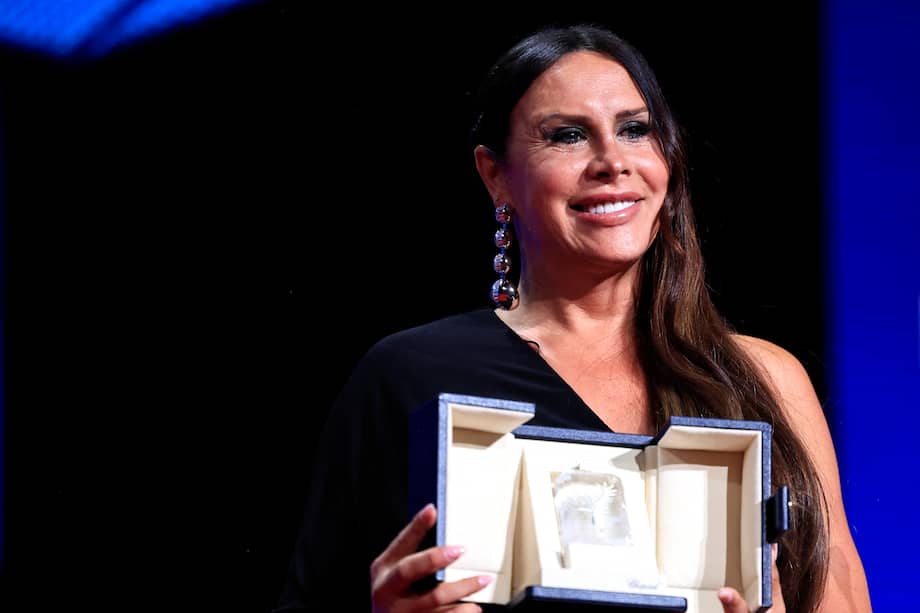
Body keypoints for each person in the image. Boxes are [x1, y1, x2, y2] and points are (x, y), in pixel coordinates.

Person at [273, 24, 872, 613]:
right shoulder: (410, 376)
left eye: (635, 130)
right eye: (566, 136)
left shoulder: (762, 378)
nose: (613, 161)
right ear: (495, 175)